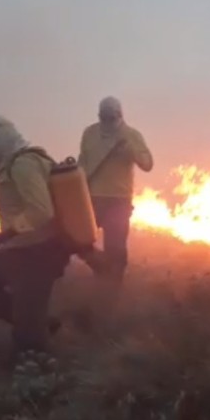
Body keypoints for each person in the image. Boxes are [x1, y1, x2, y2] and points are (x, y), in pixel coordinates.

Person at [0, 116, 70, 361]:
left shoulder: (24, 164)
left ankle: (42, 386)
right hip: (17, 249)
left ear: (4, 134)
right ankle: (39, 322)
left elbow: (41, 212)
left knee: (28, 343)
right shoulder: (13, 164)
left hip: (38, 252)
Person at [77, 96, 153, 286]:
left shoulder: (131, 136)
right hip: (91, 198)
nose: (108, 121)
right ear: (99, 115)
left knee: (115, 248)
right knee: (76, 239)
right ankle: (101, 268)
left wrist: (131, 151)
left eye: (112, 117)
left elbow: (147, 164)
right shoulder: (89, 133)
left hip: (118, 201)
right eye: (105, 117)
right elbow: (82, 163)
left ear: (120, 115)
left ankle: (111, 288)